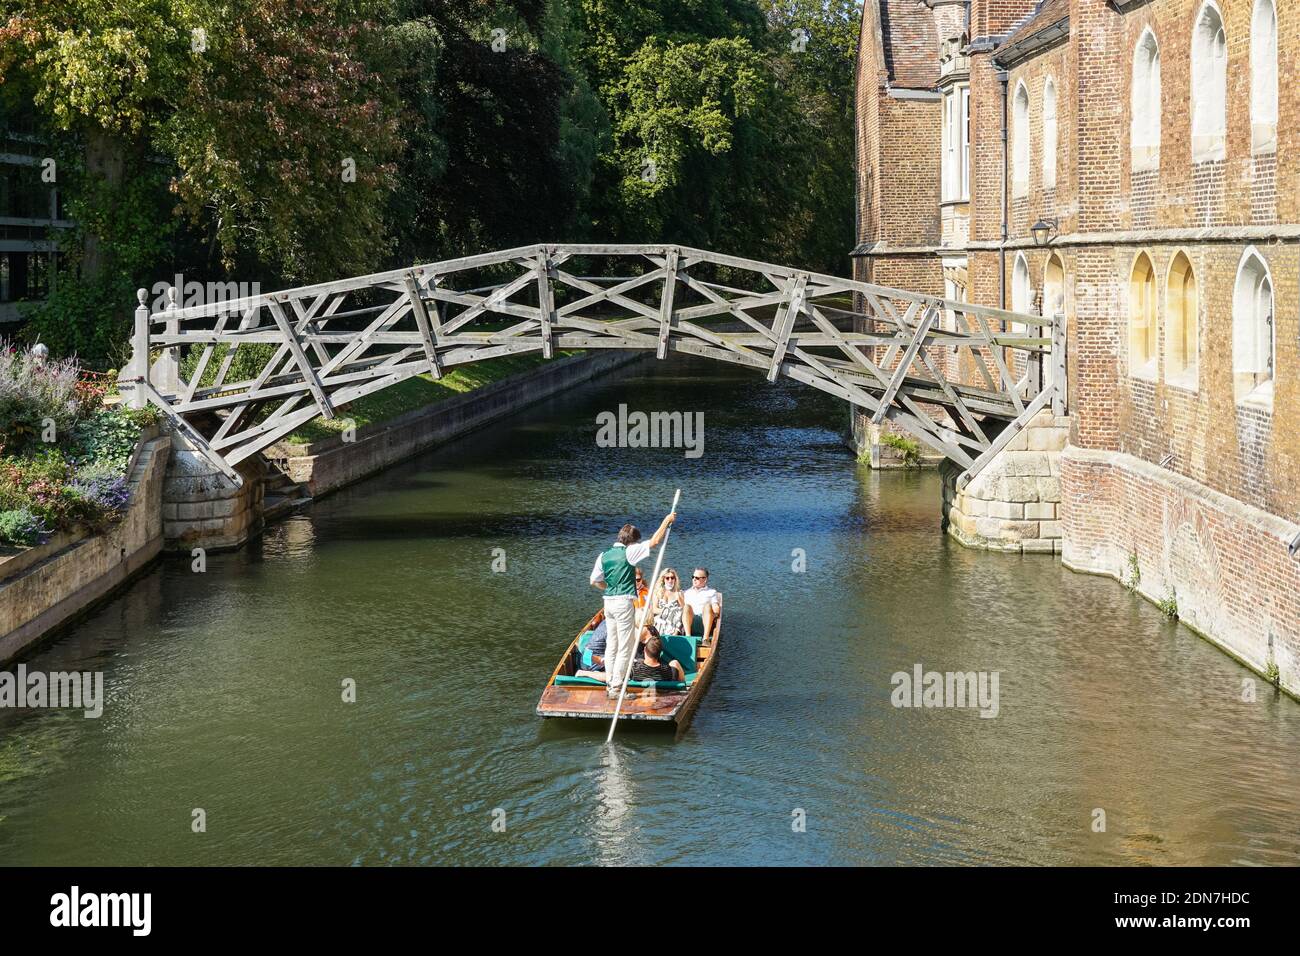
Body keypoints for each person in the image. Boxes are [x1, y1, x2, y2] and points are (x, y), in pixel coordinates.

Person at [590, 511, 676, 698]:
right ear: (632, 541)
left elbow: (594, 581)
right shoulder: (628, 551)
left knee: (611, 645)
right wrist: (666, 520)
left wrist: (610, 587)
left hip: (608, 603)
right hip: (623, 603)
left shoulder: (603, 555)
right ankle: (618, 687)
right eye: (637, 542)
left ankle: (610, 685)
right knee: (625, 647)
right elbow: (654, 541)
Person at [683, 567, 722, 642]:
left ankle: (705, 638)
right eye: (693, 577)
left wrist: (715, 610)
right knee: (686, 607)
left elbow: (716, 608)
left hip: (706, 621)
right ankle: (688, 637)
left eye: (697, 578)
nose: (694, 579)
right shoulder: (686, 592)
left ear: (705, 579)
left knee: (707, 606)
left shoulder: (711, 592)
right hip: (689, 622)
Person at [650, 568, 687, 636]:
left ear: (675, 579)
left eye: (672, 578)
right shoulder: (657, 592)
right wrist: (667, 611)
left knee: (678, 613)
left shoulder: (679, 593)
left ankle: (674, 635)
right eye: (667, 578)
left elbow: (684, 609)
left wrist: (678, 597)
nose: (670, 580)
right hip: (661, 617)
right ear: (663, 579)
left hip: (675, 620)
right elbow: (654, 609)